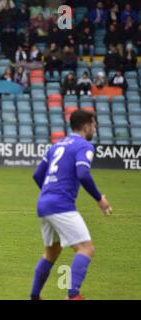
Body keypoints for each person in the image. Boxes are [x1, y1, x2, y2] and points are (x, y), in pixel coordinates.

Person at [30, 110, 113, 300]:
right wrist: (100, 199)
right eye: (93, 124)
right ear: (85, 126)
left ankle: (34, 297)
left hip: (44, 203)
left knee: (52, 252)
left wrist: (49, 192)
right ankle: (73, 295)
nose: (95, 128)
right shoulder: (84, 145)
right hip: (61, 205)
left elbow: (37, 175)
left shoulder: (57, 145)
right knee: (86, 248)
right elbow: (83, 173)